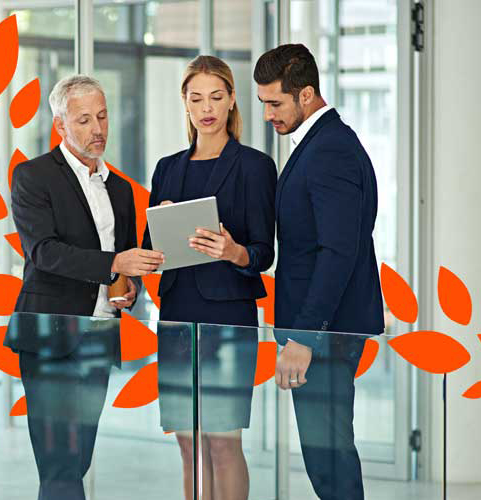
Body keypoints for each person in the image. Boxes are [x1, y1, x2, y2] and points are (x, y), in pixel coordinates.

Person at [3, 74, 165, 500]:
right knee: (59, 463)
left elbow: (123, 263)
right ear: (60, 125)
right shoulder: (33, 177)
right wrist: (114, 264)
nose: (98, 129)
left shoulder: (120, 188)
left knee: (78, 460)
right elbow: (44, 252)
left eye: (102, 117)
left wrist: (129, 287)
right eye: (84, 120)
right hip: (50, 336)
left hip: (98, 335)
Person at [255, 43, 385, 500]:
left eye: (275, 103)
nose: (268, 114)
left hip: (323, 335)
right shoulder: (320, 143)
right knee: (325, 459)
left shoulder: (329, 149)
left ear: (306, 94)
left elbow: (337, 251)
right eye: (263, 103)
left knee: (329, 461)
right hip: (320, 333)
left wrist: (302, 337)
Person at [146, 55, 276, 500]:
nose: (207, 107)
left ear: (232, 100)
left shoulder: (255, 166)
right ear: (184, 103)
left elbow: (263, 252)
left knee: (223, 442)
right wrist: (158, 228)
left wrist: (233, 250)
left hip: (227, 317)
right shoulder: (167, 168)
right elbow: (152, 251)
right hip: (178, 315)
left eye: (217, 97)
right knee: (188, 443)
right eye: (197, 98)